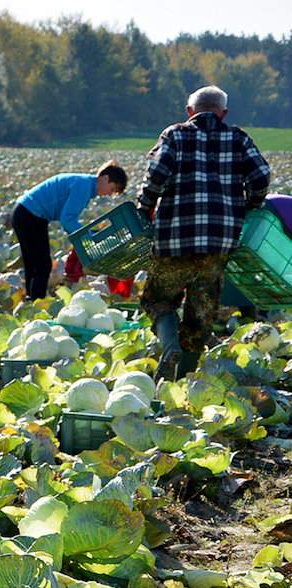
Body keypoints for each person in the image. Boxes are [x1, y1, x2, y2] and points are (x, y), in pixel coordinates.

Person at [139, 85, 271, 380]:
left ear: (189, 112)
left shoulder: (175, 134)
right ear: (223, 113)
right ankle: (184, 379)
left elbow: (157, 174)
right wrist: (250, 204)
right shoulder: (238, 138)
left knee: (157, 299)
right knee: (200, 314)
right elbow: (261, 176)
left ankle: (170, 345)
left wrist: (144, 205)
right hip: (218, 242)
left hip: (175, 238)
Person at [12, 162, 129, 300]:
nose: (109, 194)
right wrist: (89, 239)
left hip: (29, 214)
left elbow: (69, 219)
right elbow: (67, 220)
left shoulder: (85, 184)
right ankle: (36, 302)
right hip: (29, 215)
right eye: (112, 189)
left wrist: (87, 236)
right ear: (105, 178)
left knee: (33, 263)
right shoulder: (83, 186)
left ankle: (32, 300)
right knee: (42, 265)